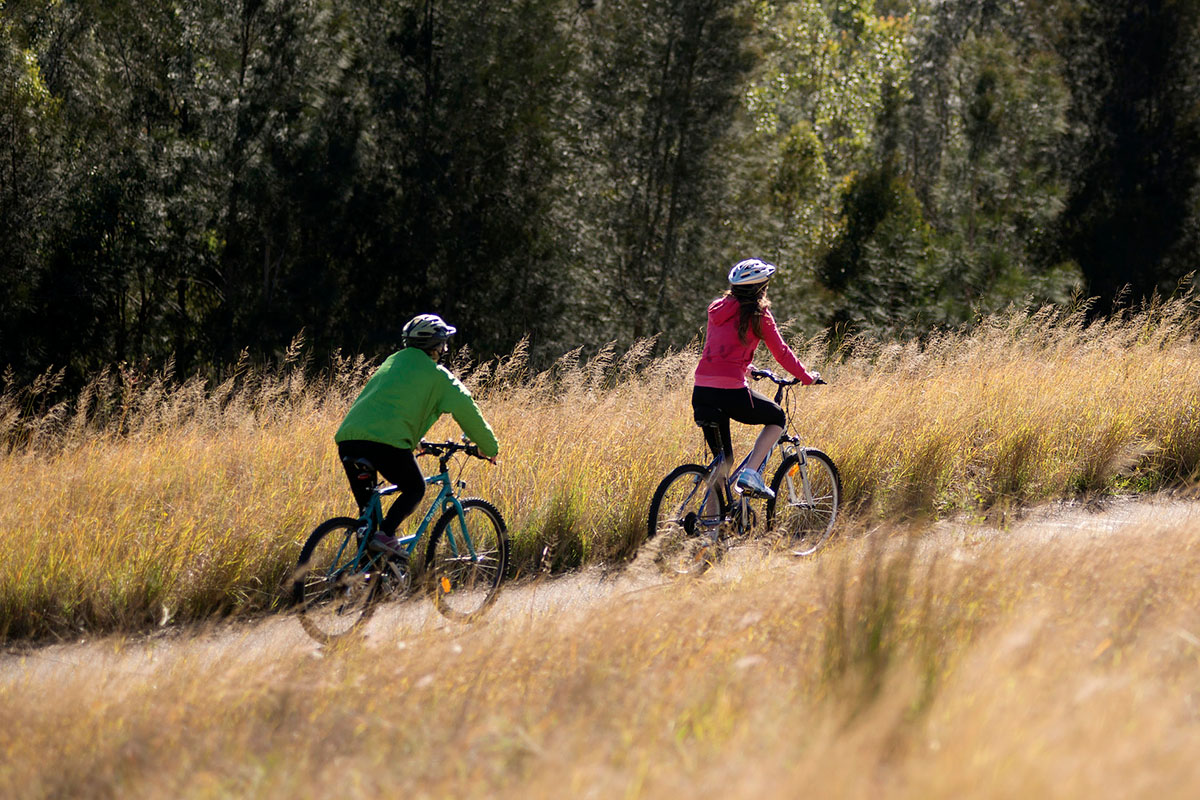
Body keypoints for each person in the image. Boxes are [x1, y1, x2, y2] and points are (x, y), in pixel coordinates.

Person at [334, 314, 499, 556]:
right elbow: (466, 408)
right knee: (415, 488)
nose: (444, 349)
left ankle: (367, 583)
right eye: (443, 343)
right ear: (435, 347)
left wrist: (415, 441)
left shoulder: (391, 363)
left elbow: (386, 407)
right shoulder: (438, 375)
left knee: (367, 517)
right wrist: (489, 448)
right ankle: (387, 533)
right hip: (384, 446)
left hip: (349, 441)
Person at [692, 258, 819, 499]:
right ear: (762, 288)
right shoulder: (759, 315)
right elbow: (781, 352)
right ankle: (751, 473)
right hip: (730, 393)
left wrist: (746, 368)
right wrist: (805, 377)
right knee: (777, 417)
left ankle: (710, 530)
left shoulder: (716, 308)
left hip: (702, 391)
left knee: (723, 464)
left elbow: (718, 349)